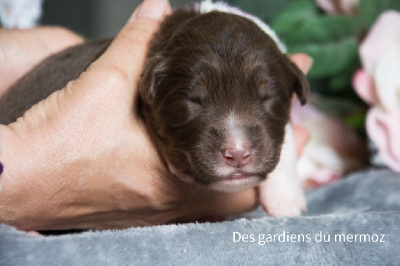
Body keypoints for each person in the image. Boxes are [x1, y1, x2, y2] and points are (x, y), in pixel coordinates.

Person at [0, 0, 312, 231]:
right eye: (196, 101)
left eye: (266, 97)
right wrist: (19, 187)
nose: (237, 147)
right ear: (153, 83)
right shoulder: (155, 70)